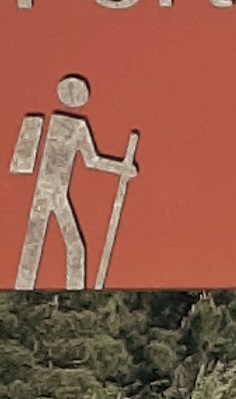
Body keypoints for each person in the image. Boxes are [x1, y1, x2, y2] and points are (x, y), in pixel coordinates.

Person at [9, 76, 139, 293]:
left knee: (74, 247)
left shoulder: (79, 127)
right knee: (36, 250)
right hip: (44, 194)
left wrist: (121, 168)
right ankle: (25, 292)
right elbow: (23, 160)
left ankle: (74, 295)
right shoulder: (46, 123)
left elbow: (92, 160)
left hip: (57, 194)